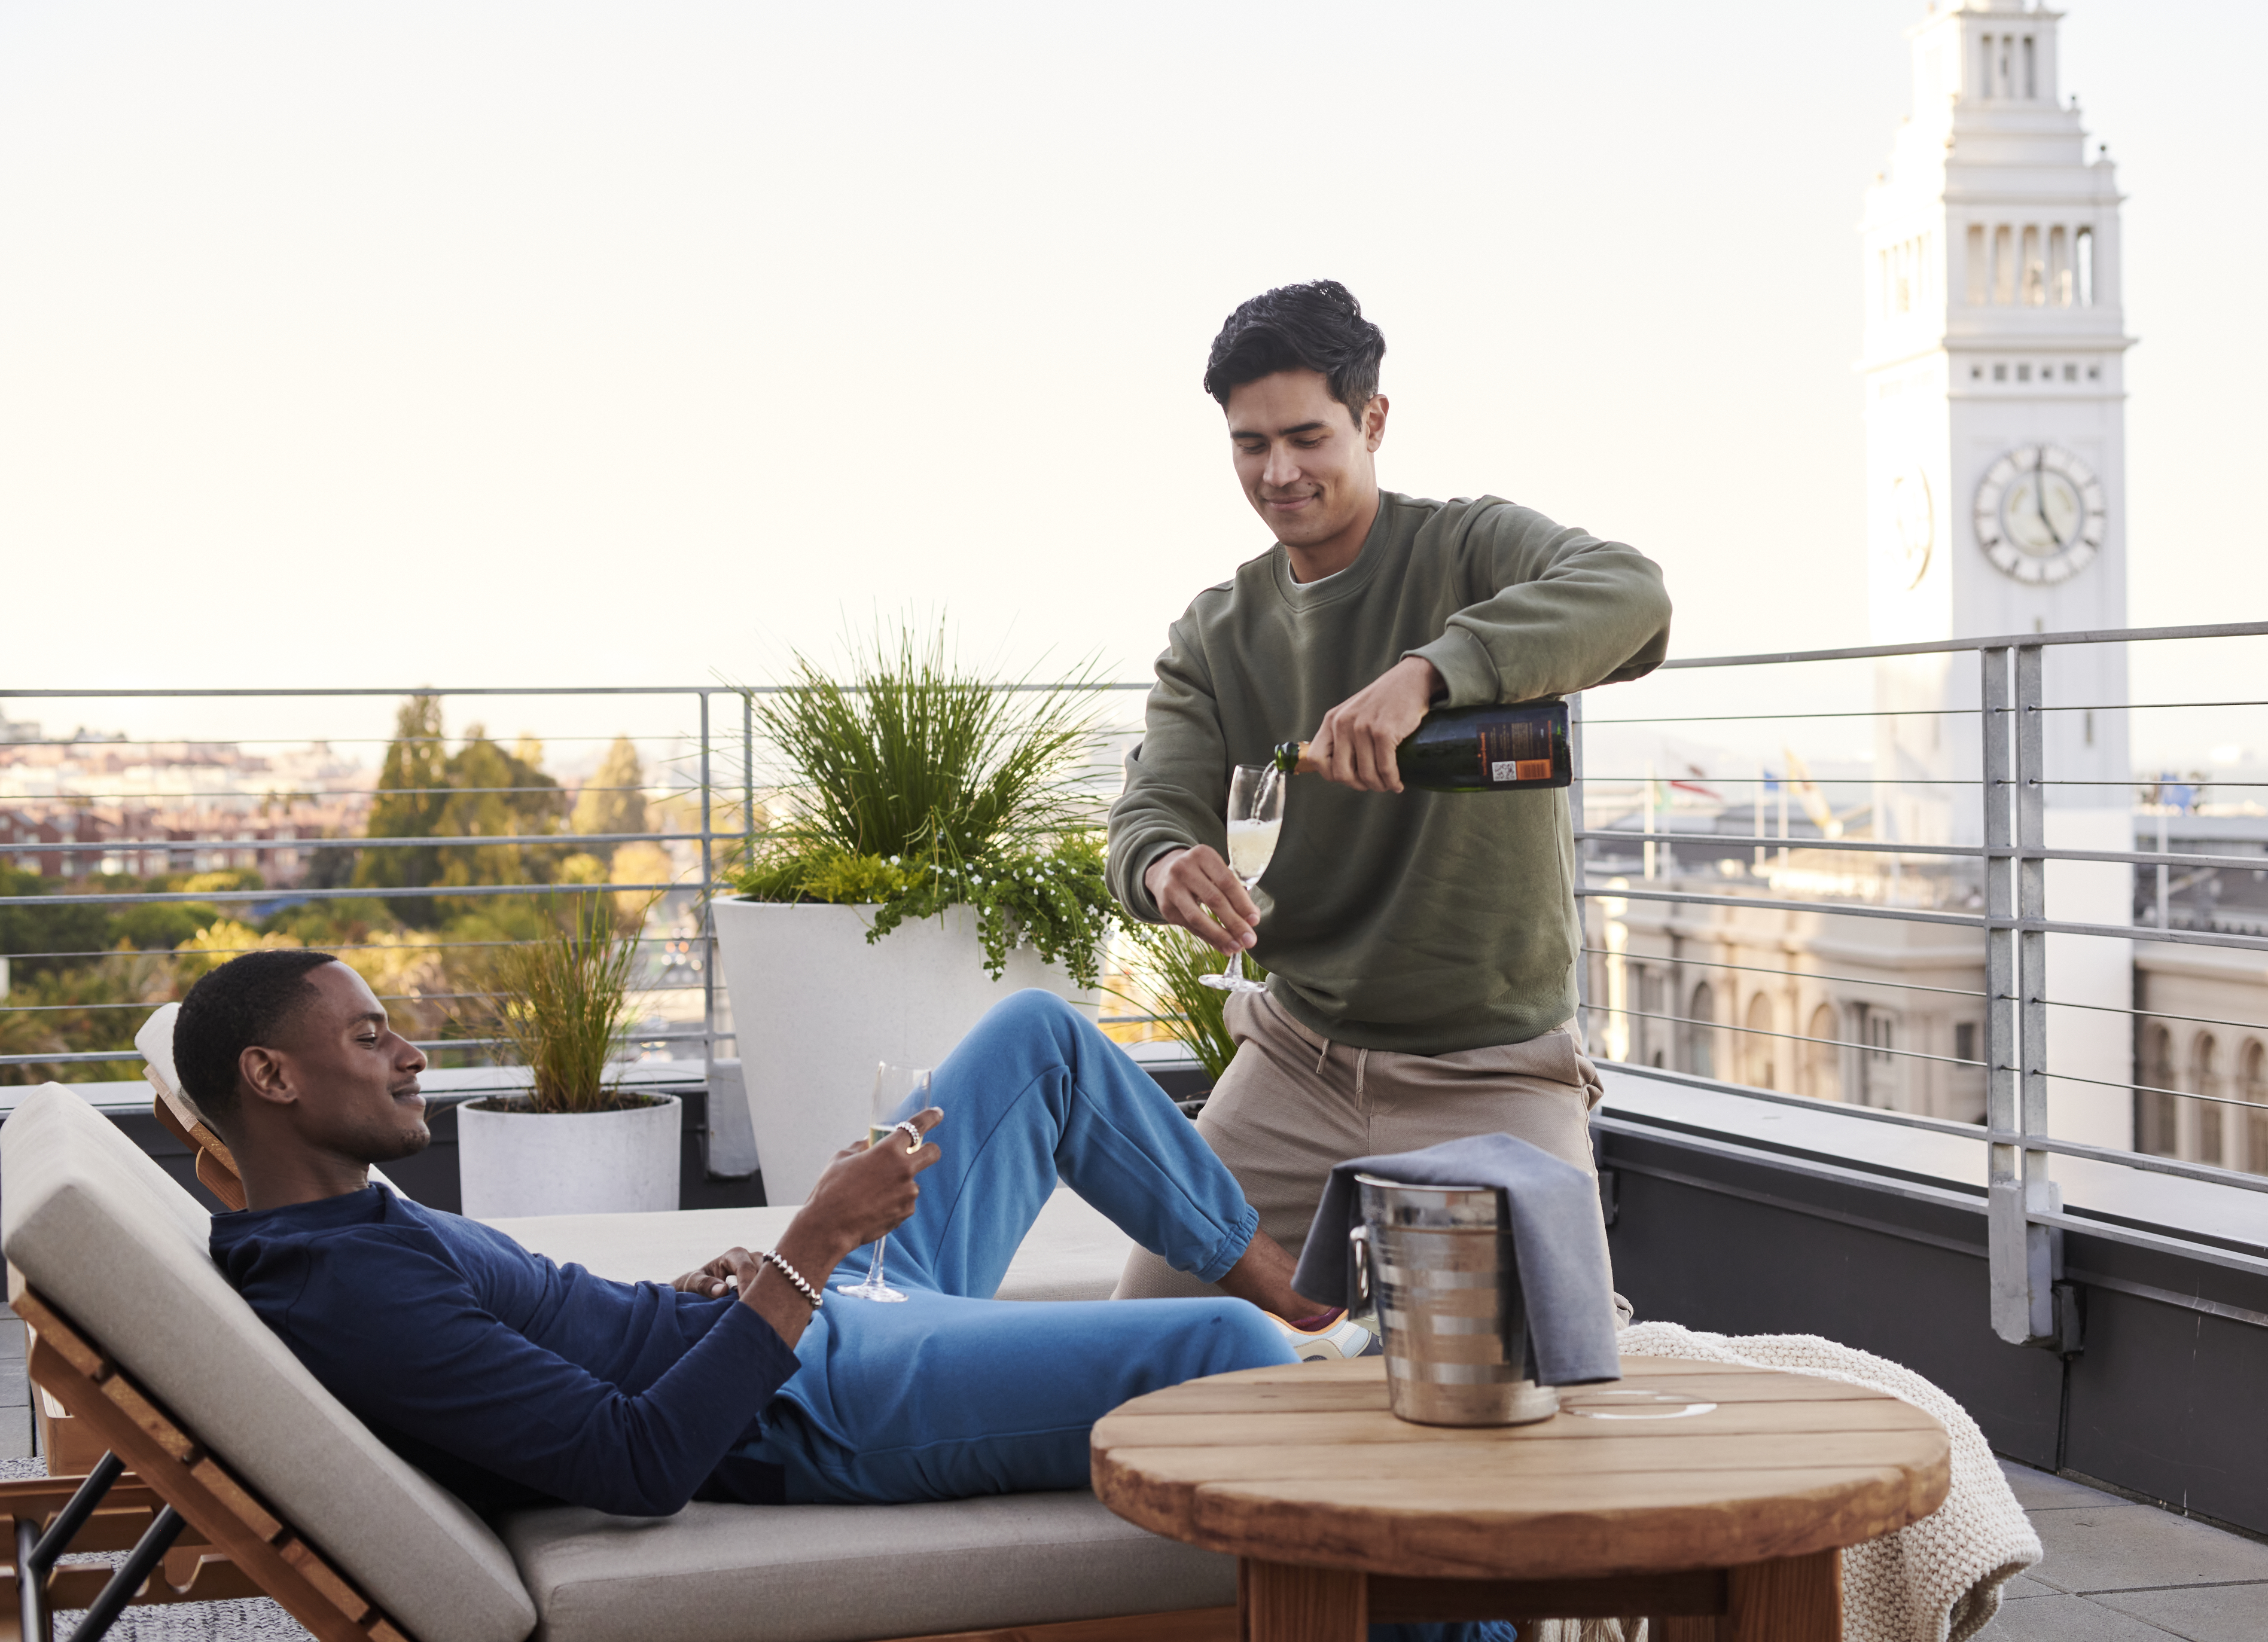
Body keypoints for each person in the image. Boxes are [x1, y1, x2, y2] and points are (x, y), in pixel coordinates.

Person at [180, 948, 1351, 1518]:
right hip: (810, 1404)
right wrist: (807, 1249)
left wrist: (719, 1292)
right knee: (1220, 1353)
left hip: (775, 1321)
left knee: (1039, 1036)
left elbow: (571, 1333)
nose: (413, 1052)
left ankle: (1279, 1275)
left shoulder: (339, 1218)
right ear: (270, 1073)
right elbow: (635, 1463)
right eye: (372, 1034)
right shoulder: (345, 1288)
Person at [1108, 280, 1672, 1301]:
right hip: (1294, 1064)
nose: (1278, 472)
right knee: (1141, 1353)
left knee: (1561, 1391)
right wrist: (1162, 864)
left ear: (1373, 420)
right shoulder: (1213, 632)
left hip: (1496, 1075)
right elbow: (1152, 809)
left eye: (1307, 437)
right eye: (1249, 445)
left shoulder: (1470, 549)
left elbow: (1634, 595)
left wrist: (1430, 673)